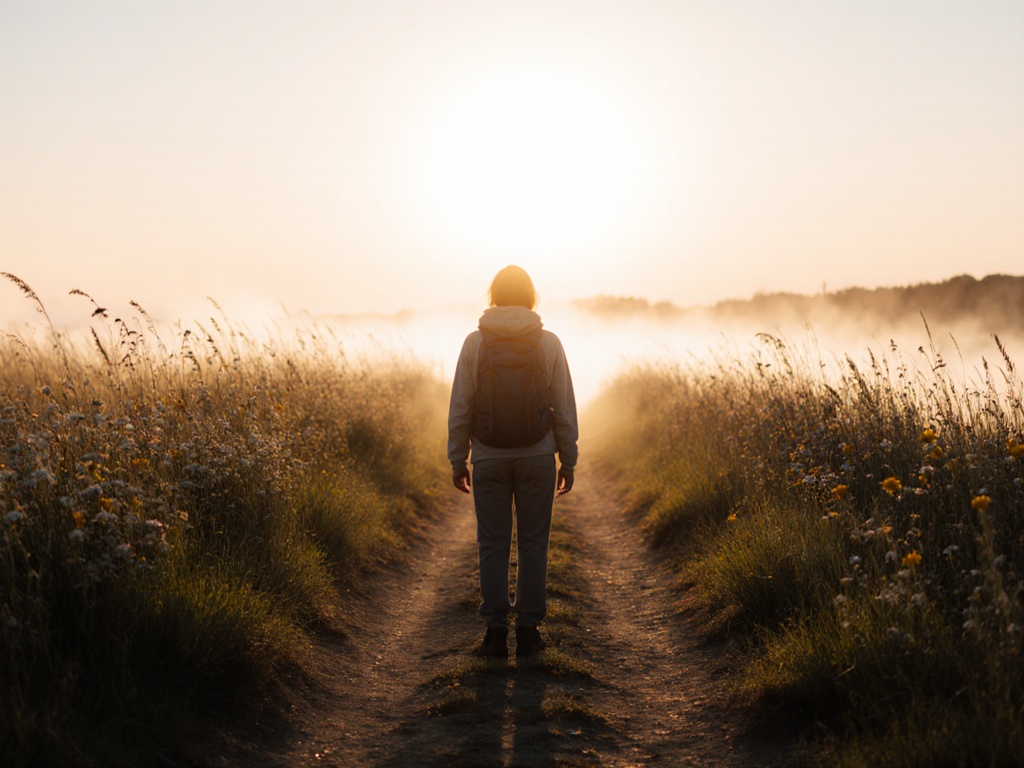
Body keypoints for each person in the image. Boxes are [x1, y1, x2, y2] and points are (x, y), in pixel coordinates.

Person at [448, 265, 579, 659]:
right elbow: (565, 408)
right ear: (530, 296)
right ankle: (527, 632)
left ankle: (493, 633)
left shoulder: (475, 342)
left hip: (488, 458)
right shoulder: (549, 343)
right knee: (534, 545)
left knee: (492, 545)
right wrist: (567, 460)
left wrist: (459, 459)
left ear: (493, 296)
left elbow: (460, 406)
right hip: (538, 457)